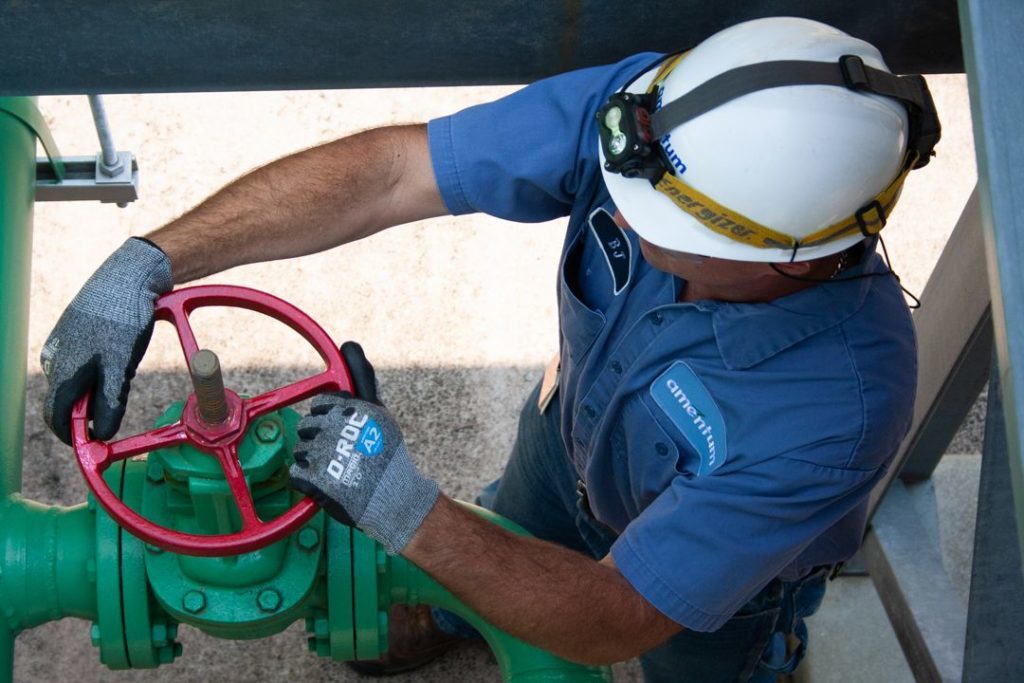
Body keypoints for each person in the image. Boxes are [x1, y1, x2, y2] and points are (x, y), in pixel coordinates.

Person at [40, 17, 939, 683]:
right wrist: (152, 261)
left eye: (662, 226)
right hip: (567, 447)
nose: (620, 207)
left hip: (727, 595)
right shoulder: (652, 124)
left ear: (798, 256)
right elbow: (395, 170)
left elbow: (618, 616)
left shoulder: (837, 405)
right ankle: (450, 604)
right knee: (514, 517)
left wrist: (403, 507)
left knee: (704, 661)